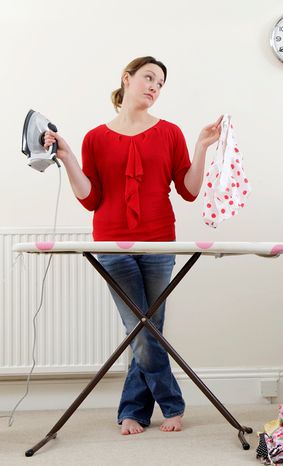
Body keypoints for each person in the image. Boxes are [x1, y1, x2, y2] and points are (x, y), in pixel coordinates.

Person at [43, 56, 221, 435]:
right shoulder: (95, 137)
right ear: (127, 79)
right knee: (141, 327)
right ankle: (171, 404)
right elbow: (89, 197)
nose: (154, 86)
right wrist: (69, 156)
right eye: (148, 78)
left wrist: (201, 146)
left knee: (147, 326)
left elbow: (188, 190)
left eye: (160, 83)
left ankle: (133, 411)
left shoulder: (170, 132)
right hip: (111, 244)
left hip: (159, 243)